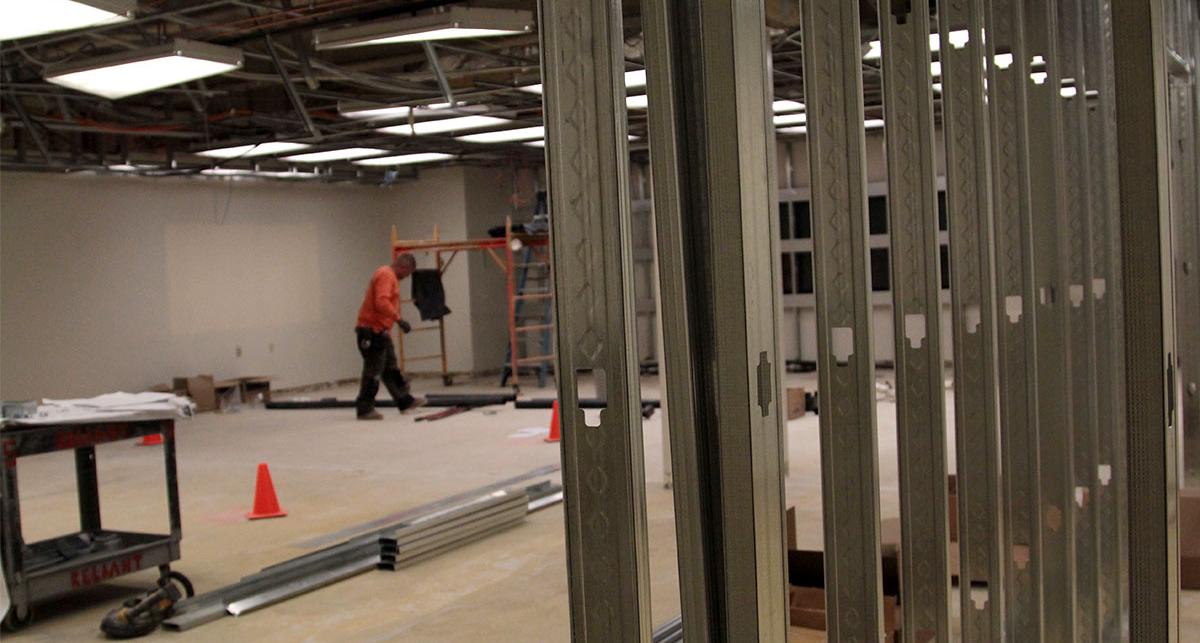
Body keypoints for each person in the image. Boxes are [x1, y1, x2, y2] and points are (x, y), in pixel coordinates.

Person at [354, 253, 425, 419]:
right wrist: (399, 319)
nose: (405, 278)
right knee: (373, 371)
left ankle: (404, 400)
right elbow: (382, 302)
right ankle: (364, 408)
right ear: (403, 267)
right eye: (406, 274)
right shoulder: (386, 275)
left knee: (390, 368)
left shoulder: (389, 276)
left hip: (381, 331)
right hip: (371, 331)